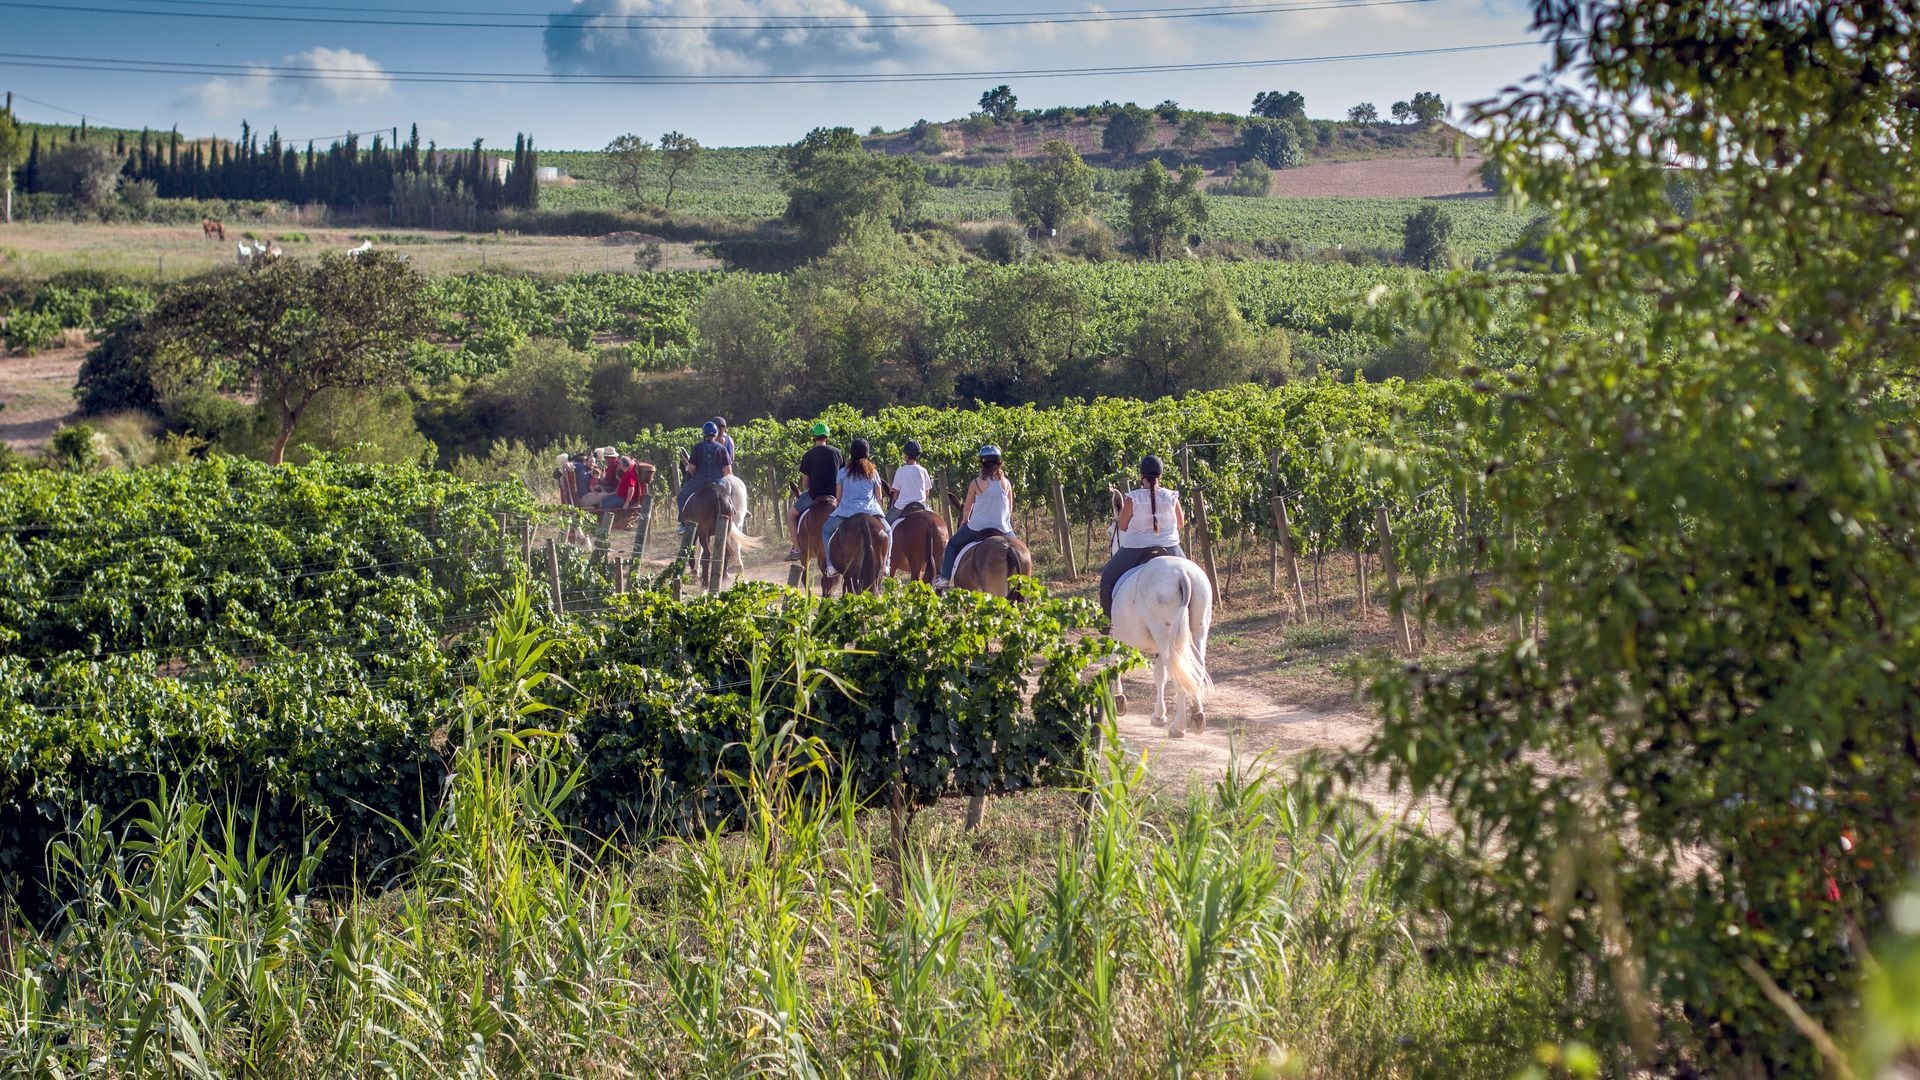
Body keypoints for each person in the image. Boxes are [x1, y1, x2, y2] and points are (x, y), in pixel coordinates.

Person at [1099, 455, 1187, 614]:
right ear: (1161, 475)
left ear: (1142, 475)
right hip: (1170, 546)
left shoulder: (1133, 498)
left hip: (1136, 547)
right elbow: (1181, 524)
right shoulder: (1171, 496)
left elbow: (1123, 526)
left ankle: (1105, 622)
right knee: (1191, 577)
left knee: (1107, 579)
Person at [933, 445, 1015, 588]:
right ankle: (1027, 580)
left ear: (982, 463)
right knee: (1020, 550)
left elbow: (968, 507)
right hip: (1003, 528)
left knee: (952, 544)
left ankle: (945, 577)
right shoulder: (1006, 483)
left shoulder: (976, 483)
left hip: (978, 527)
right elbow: (1009, 508)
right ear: (999, 462)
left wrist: (965, 521)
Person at [821, 438, 886, 574]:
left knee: (826, 530)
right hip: (871, 511)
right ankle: (886, 564)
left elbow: (838, 497)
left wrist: (840, 505)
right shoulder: (873, 472)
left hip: (847, 512)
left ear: (852, 453)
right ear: (867, 454)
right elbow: (879, 497)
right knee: (889, 532)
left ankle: (831, 566)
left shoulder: (843, 472)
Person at [786, 422, 843, 560]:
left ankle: (797, 548)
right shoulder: (837, 453)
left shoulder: (808, 455)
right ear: (827, 437)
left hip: (813, 496)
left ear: (814, 437)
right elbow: (842, 477)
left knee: (791, 515)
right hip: (835, 496)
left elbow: (805, 483)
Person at [677, 421, 733, 542]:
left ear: (704, 434)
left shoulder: (697, 447)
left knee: (681, 497)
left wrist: (692, 472)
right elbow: (728, 470)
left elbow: (691, 469)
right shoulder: (722, 449)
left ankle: (683, 524)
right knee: (729, 498)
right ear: (716, 434)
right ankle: (733, 515)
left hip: (700, 481)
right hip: (718, 482)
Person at [886, 439, 931, 526]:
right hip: (921, 504)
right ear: (918, 455)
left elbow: (896, 495)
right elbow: (927, 492)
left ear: (906, 455)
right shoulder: (923, 471)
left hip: (902, 506)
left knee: (884, 526)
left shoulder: (900, 471)